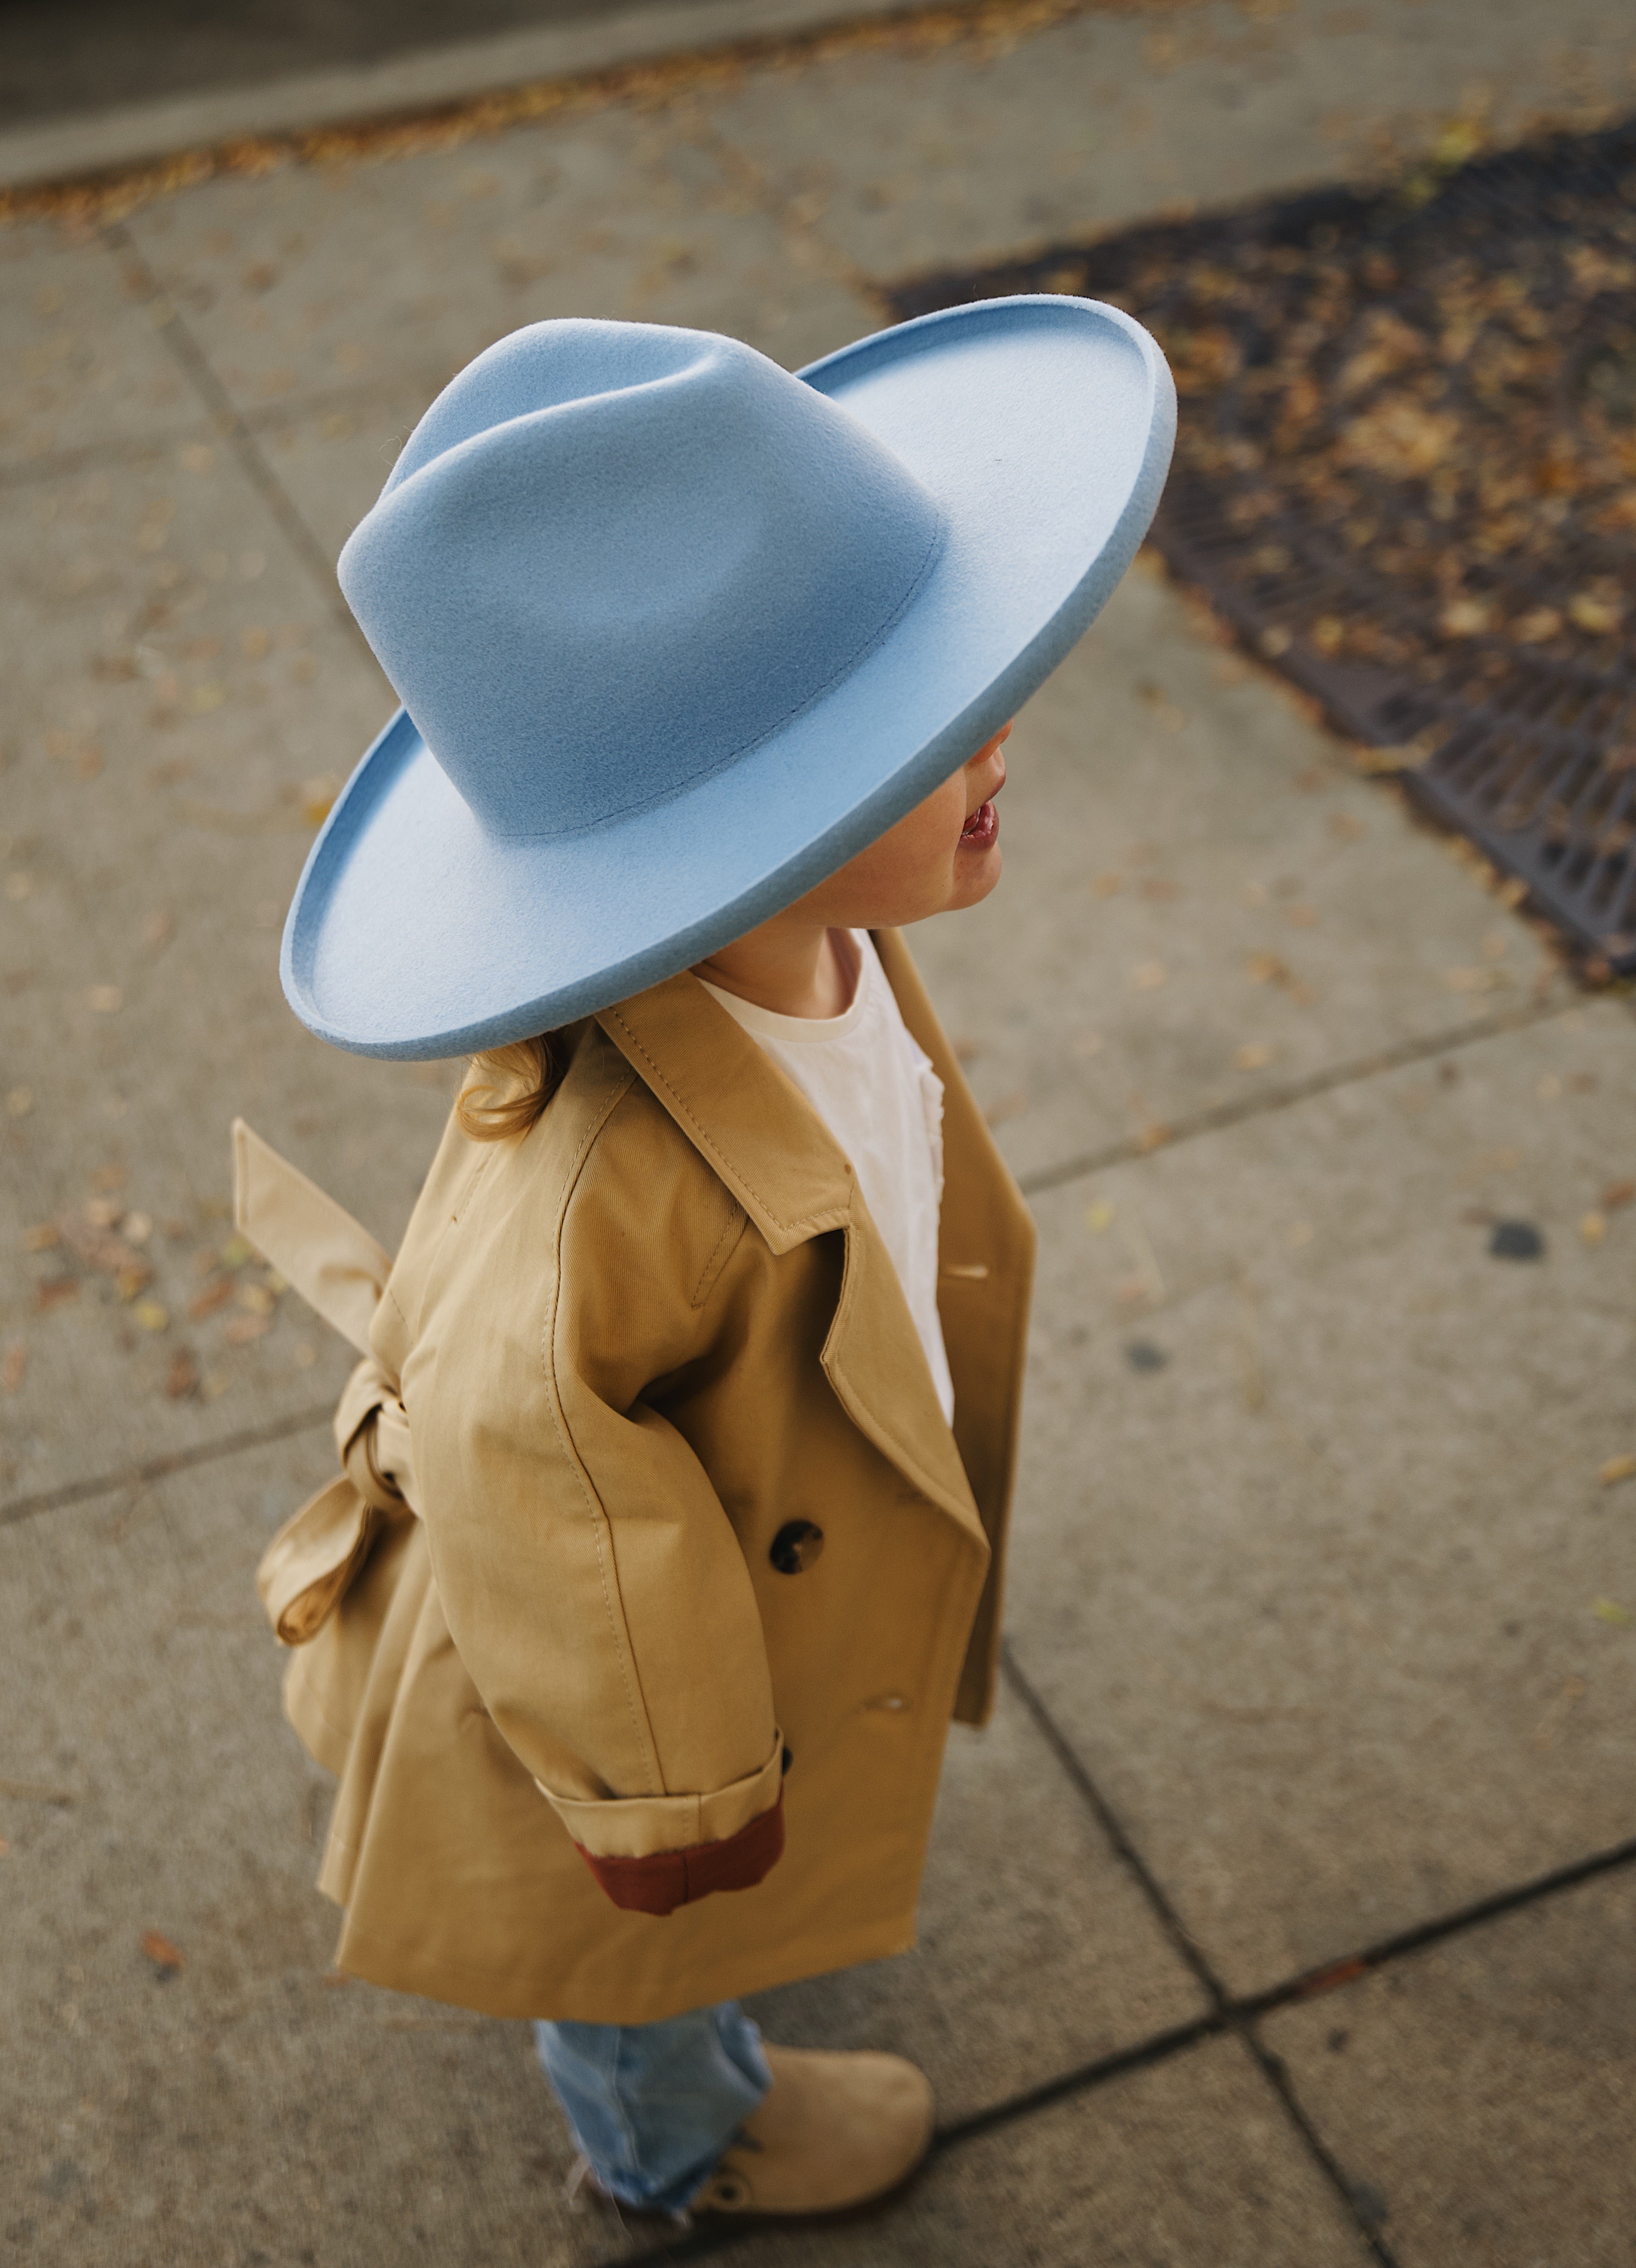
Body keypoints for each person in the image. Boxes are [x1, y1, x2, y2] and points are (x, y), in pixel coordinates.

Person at [238, 304, 1173, 2222]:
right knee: (634, 1955)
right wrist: (667, 1789)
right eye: (910, 738)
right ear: (729, 843)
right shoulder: (596, 1184)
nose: (993, 738)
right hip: (609, 1650)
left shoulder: (816, 948)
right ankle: (672, 2139)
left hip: (760, 1512)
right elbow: (536, 1470)